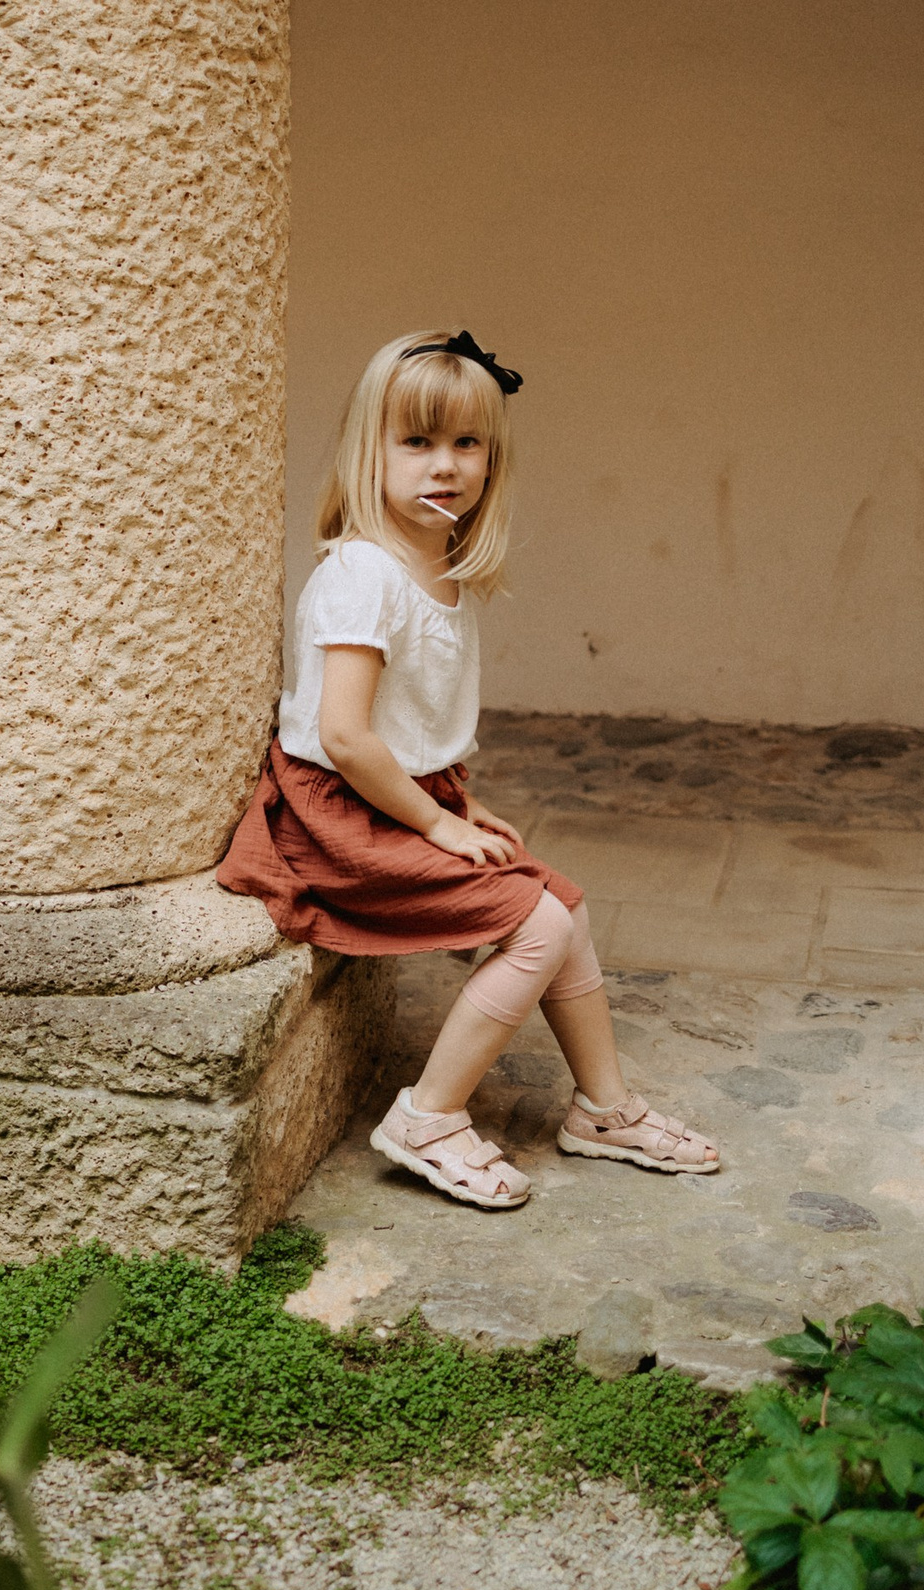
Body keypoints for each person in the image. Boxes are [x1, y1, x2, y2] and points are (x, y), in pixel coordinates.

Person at [218, 330, 719, 1211]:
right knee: (536, 924)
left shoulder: (437, 566)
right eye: (415, 441)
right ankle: (427, 1116)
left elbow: (404, 726)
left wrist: (462, 799)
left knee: (565, 905)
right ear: (369, 450)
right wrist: (437, 823)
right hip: (339, 819)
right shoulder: (363, 573)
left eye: (466, 443)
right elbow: (346, 736)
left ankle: (602, 1109)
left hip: (399, 795)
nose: (443, 465)